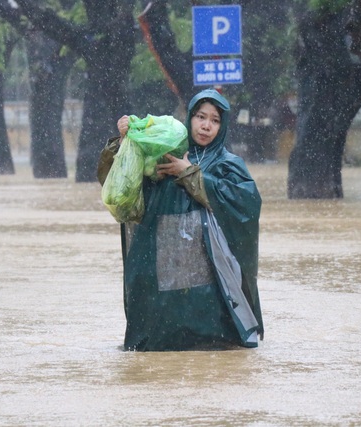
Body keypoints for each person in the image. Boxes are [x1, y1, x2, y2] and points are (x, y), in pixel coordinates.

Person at [97, 88, 264, 351]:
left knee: (210, 341)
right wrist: (125, 141)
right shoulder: (164, 149)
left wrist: (190, 173)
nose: (206, 126)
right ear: (189, 119)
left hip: (210, 266)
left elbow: (245, 204)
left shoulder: (228, 163)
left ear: (223, 126)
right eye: (200, 117)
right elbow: (121, 184)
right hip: (160, 258)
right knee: (157, 340)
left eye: (215, 120)